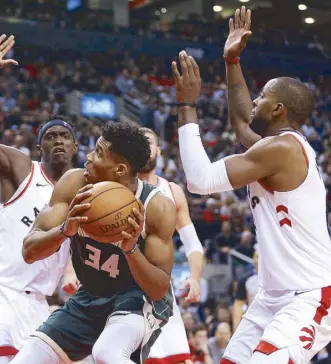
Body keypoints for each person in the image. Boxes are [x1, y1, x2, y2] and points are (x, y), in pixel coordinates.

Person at [171, 6, 331, 363]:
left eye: (263, 96)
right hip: (272, 297)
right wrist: (232, 61)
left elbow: (199, 180)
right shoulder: (275, 145)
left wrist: (186, 106)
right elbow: (244, 122)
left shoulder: (283, 148)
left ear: (278, 111)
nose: (256, 98)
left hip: (308, 296)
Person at [11, 122, 177, 364]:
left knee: (107, 353)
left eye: (98, 153)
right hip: (90, 294)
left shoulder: (156, 206)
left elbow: (158, 289)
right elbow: (29, 251)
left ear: (120, 169)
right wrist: (64, 230)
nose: (88, 156)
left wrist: (130, 249)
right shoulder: (74, 183)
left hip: (138, 298)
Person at [0, 34, 77, 363]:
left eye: (64, 136)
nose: (58, 141)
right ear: (38, 147)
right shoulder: (21, 169)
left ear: (75, 147)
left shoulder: (84, 191)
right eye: (50, 136)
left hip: (41, 305)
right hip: (4, 293)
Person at [138, 127, 204, 363]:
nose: (145, 147)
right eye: (139, 142)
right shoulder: (116, 188)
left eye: (149, 143)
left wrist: (195, 278)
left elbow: (193, 244)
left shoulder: (173, 191)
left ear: (158, 150)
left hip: (159, 291)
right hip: (123, 287)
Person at [232, 246, 259, 330]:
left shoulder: (278, 279)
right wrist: (236, 328)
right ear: (253, 259)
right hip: (253, 321)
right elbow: (238, 305)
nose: (259, 260)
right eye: (257, 257)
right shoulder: (245, 280)